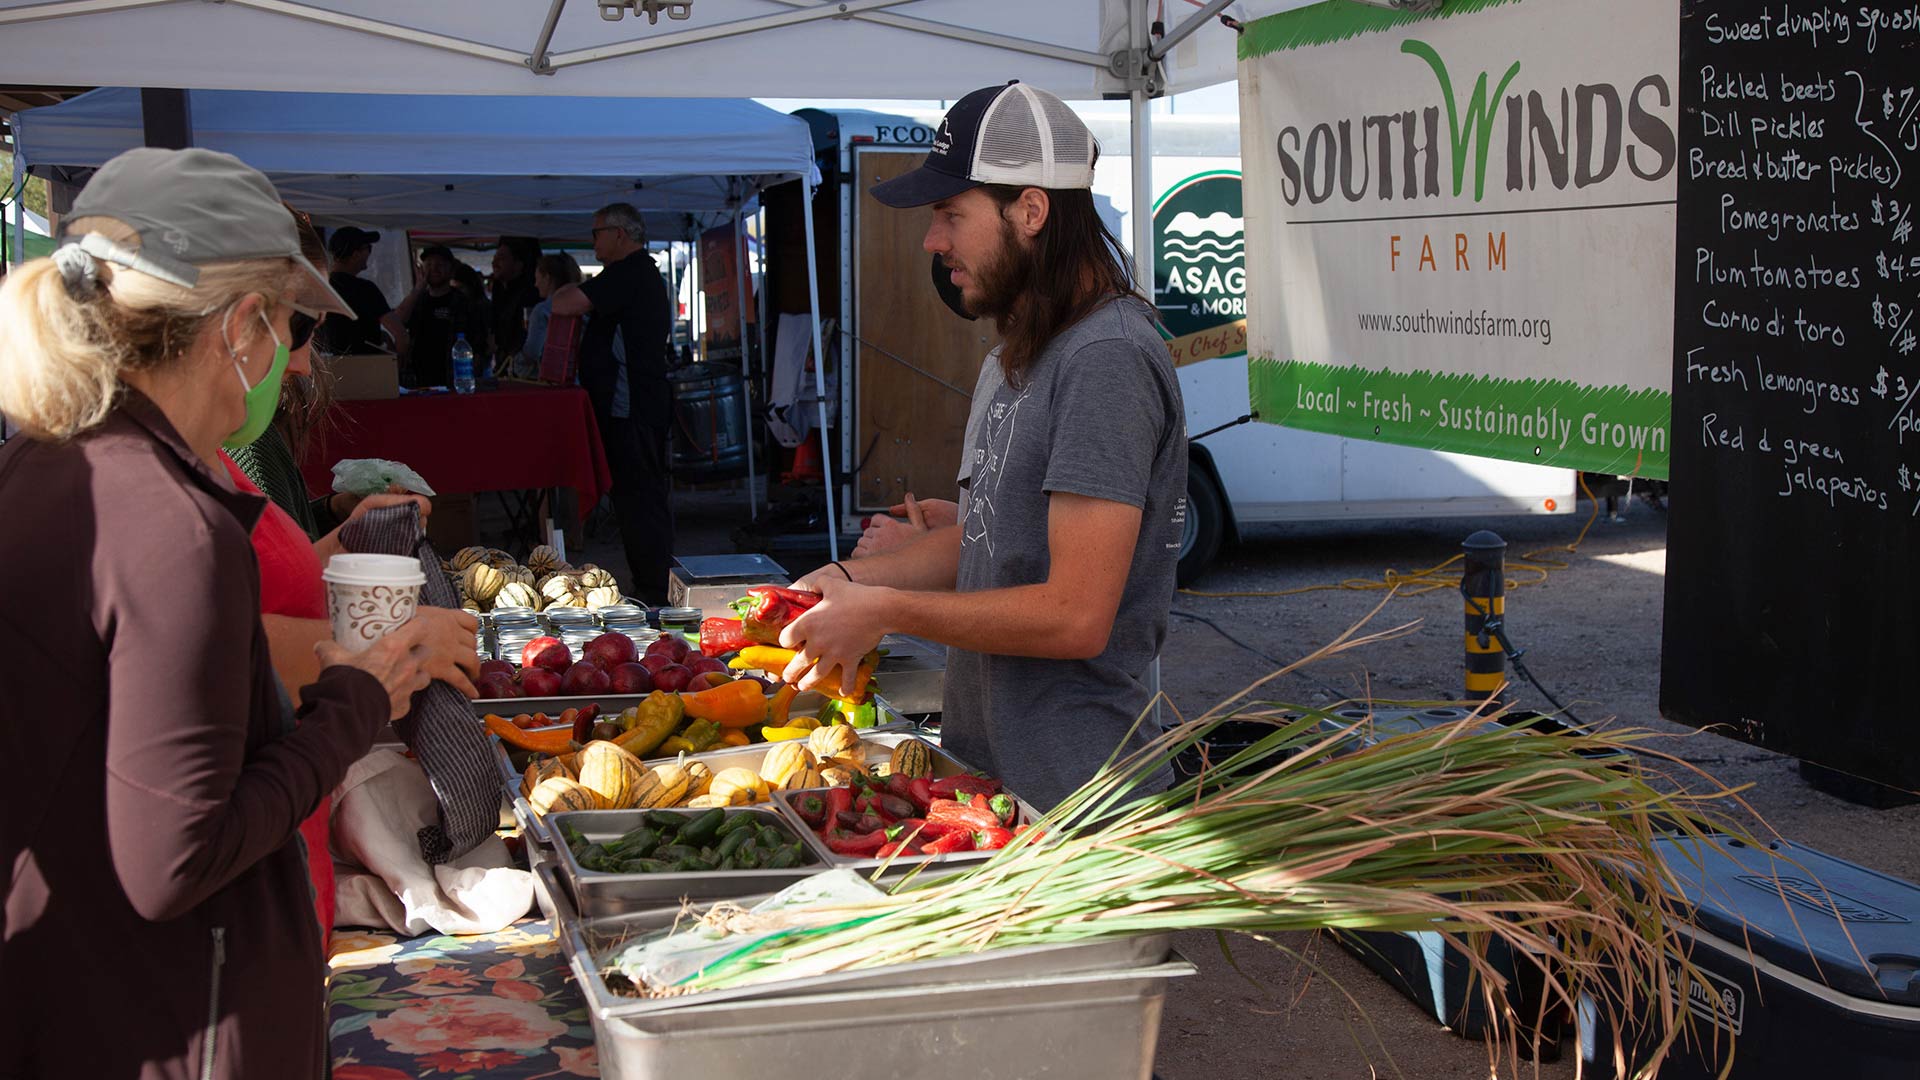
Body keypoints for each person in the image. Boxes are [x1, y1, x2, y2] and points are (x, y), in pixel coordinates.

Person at [0, 146, 480, 1080]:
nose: (292, 365)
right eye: (291, 327)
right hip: (183, 1016)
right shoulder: (173, 527)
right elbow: (174, 859)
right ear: (245, 324)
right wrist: (351, 705)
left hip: (79, 997)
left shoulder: (39, 467)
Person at [776, 82, 1190, 810]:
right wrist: (839, 580)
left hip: (1078, 803)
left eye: (951, 215)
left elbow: (1075, 614)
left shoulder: (1106, 359)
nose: (934, 242)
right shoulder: (1015, 353)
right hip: (991, 777)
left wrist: (885, 607)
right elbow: (985, 541)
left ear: (1031, 211)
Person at [551, 203, 674, 603]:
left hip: (633, 406)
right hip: (634, 405)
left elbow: (565, 302)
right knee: (637, 498)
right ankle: (652, 583)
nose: (593, 241)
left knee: (640, 498)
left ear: (619, 234)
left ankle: (655, 589)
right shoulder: (630, 273)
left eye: (596, 232)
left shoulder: (630, 272)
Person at [395, 244, 484, 388]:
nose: (434, 268)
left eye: (440, 264)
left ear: (451, 269)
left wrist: (468, 380)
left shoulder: (464, 303)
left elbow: (478, 345)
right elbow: (397, 321)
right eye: (428, 264)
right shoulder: (417, 300)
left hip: (451, 381)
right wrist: (418, 289)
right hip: (416, 382)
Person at [314, 225, 407, 357]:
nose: (369, 253)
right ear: (355, 254)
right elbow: (401, 334)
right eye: (368, 248)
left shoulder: (318, 286)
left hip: (328, 368)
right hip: (366, 368)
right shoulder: (366, 290)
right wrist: (399, 366)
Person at [515, 251, 583, 380]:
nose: (536, 284)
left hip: (551, 380)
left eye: (537, 279)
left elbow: (532, 352)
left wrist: (517, 361)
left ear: (547, 277)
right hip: (581, 380)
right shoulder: (583, 307)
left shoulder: (542, 310)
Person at [489, 235, 542, 370]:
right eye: (495, 257)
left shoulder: (531, 294)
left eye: (501, 258)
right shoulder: (499, 289)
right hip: (505, 366)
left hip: (523, 370)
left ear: (519, 264)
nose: (494, 263)